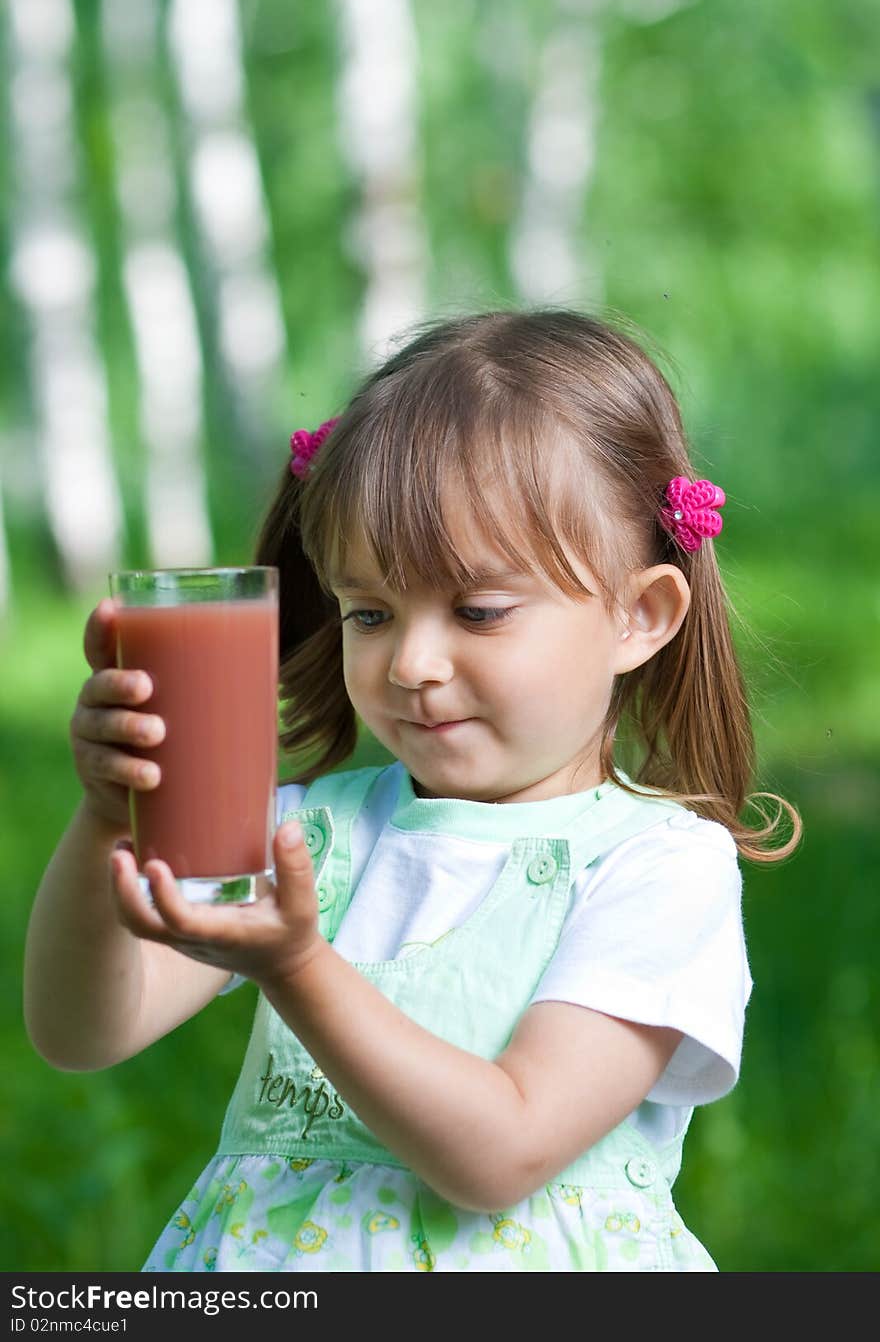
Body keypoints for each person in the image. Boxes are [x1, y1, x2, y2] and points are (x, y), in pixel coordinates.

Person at [24, 308, 801, 1273]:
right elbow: (82, 1030)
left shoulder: (655, 869)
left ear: (640, 617)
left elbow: (502, 1154)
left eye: (478, 610)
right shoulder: (311, 835)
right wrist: (110, 818)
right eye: (370, 611)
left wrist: (299, 968)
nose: (414, 662)